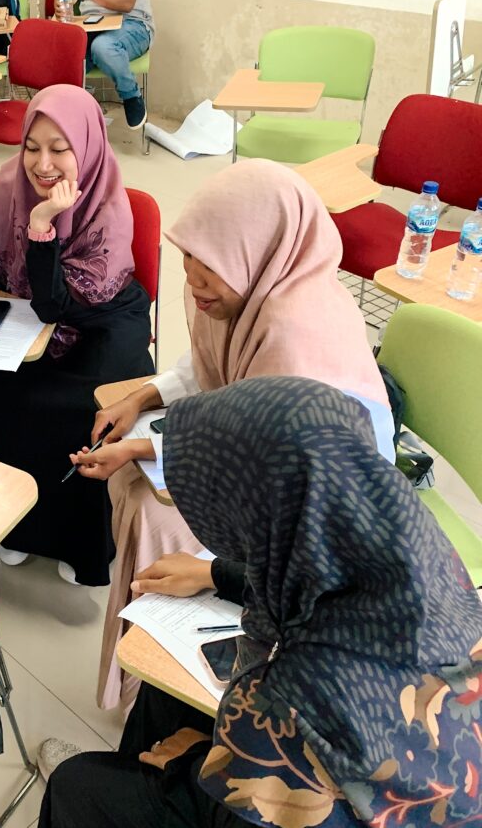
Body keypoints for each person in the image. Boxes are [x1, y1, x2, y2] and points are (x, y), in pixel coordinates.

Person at [39, 376, 482, 828]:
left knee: (76, 784)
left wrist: (189, 760)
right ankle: (140, 770)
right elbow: (314, 575)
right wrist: (214, 574)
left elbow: (259, 804)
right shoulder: (420, 552)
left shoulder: (292, 699)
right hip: (421, 774)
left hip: (303, 800)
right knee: (163, 698)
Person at [72, 159, 395, 709]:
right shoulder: (247, 290)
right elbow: (205, 369)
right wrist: (140, 398)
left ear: (259, 253)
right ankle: (142, 677)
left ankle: (155, 678)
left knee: (154, 512)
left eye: (211, 263)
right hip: (269, 469)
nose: (193, 278)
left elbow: (271, 454)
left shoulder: (297, 336)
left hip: (324, 511)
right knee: (135, 489)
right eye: (188, 256)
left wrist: (144, 449)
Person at [0, 84, 153, 586]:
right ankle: (19, 527)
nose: (42, 164)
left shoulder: (107, 206)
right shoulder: (9, 183)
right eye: (32, 147)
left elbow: (63, 304)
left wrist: (42, 226)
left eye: (59, 148)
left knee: (78, 412)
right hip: (28, 319)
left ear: (87, 147)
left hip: (102, 322)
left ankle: (83, 546)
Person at [62, 0, 154, 129]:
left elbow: (126, 2)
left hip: (132, 23)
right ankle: (71, 117)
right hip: (91, 25)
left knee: (103, 46)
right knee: (66, 54)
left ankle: (131, 96)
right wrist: (60, 5)